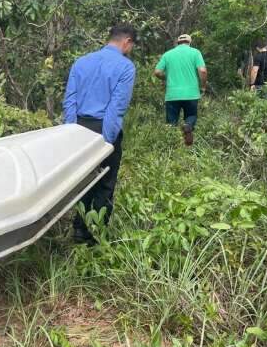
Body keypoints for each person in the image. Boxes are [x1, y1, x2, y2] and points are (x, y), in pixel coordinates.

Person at [63, 24, 137, 245]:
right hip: (103, 128)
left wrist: (70, 132)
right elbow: (116, 108)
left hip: (79, 128)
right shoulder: (125, 67)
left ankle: (79, 229)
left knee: (83, 181)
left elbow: (70, 101)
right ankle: (97, 235)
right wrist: (106, 142)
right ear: (127, 42)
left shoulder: (81, 62)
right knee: (105, 183)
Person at [153, 34, 208, 146]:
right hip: (191, 93)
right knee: (191, 115)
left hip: (172, 94)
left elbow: (157, 72)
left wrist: (166, 77)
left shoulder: (168, 54)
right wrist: (203, 86)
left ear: (177, 43)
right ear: (189, 42)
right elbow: (202, 71)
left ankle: (170, 146)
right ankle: (188, 126)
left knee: (171, 123)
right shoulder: (195, 52)